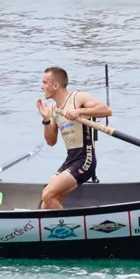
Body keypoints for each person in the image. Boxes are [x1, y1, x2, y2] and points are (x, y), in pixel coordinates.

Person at [35, 66, 110, 209]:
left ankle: (67, 229)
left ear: (55, 85)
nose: (41, 87)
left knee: (48, 195)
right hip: (70, 159)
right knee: (46, 203)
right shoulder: (53, 109)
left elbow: (106, 110)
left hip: (85, 159)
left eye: (44, 83)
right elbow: (51, 142)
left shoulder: (78, 98)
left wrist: (78, 111)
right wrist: (46, 119)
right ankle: (56, 228)